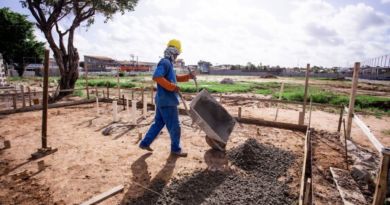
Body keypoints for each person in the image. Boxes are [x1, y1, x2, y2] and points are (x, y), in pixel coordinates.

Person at [139, 39, 195, 157]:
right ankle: (176, 149)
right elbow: (157, 77)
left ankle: (145, 143)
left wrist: (188, 76)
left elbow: (175, 78)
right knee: (175, 126)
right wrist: (172, 87)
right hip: (168, 102)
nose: (177, 56)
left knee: (158, 123)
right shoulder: (165, 62)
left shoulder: (168, 64)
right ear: (173, 52)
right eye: (177, 54)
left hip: (162, 101)